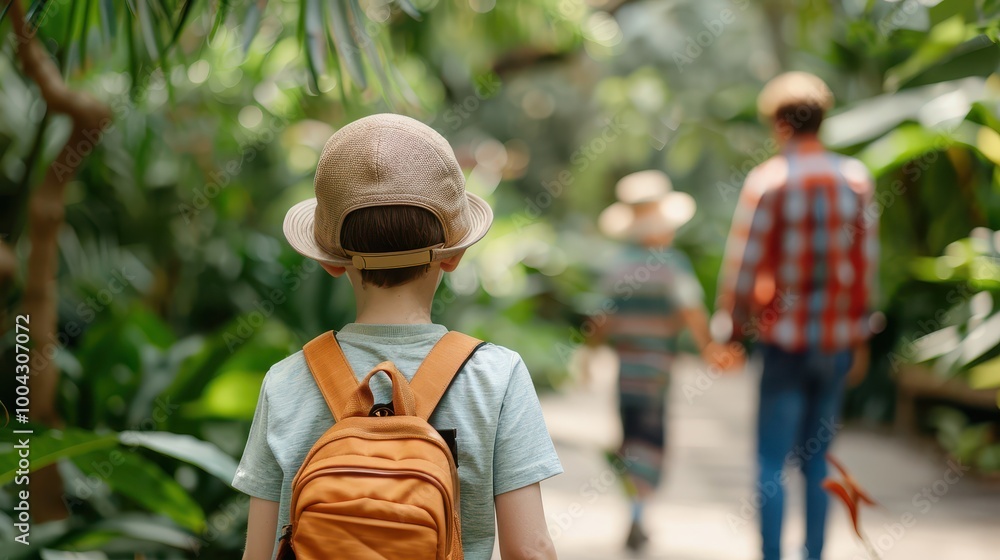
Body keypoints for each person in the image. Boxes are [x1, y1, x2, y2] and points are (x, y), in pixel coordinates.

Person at [233, 113, 563, 560]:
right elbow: (531, 550)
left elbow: (259, 554)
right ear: (454, 255)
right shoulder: (498, 377)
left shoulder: (286, 382)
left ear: (330, 259)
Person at [715, 72, 879, 560]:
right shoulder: (856, 180)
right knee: (817, 457)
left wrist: (730, 330)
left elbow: (742, 270)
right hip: (835, 343)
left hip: (783, 341)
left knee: (770, 458)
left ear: (781, 123)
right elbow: (865, 270)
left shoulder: (769, 181)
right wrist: (861, 338)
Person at [590, 170, 744, 551]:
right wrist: (710, 348)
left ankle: (633, 504)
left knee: (629, 437)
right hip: (657, 370)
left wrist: (589, 353)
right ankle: (640, 511)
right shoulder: (671, 264)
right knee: (652, 440)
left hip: (626, 369)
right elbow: (691, 311)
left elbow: (601, 320)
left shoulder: (618, 264)